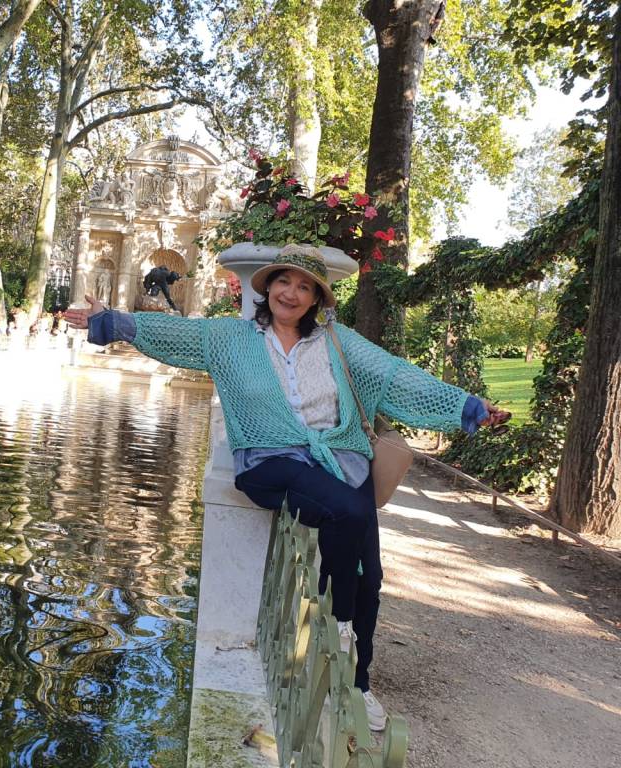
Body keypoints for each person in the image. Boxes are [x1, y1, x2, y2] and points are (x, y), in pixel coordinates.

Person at [65, 244, 509, 731]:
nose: (291, 293)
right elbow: (172, 333)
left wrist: (468, 407)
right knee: (349, 513)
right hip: (269, 460)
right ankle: (339, 626)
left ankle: (358, 684)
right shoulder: (230, 337)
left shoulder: (336, 341)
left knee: (370, 574)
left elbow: (396, 376)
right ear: (268, 287)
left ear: (316, 298)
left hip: (339, 460)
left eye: (304, 287)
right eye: (284, 282)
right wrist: (106, 321)